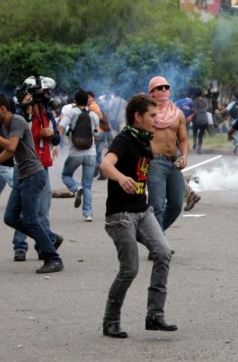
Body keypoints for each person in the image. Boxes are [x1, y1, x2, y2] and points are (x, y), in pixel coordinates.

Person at [99, 95, 177, 339]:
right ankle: (110, 321)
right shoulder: (124, 139)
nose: (157, 120)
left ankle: (155, 315)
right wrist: (121, 178)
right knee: (129, 269)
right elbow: (105, 164)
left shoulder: (144, 140)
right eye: (152, 116)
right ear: (138, 116)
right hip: (121, 215)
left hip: (142, 211)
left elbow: (145, 175)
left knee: (163, 253)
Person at [0, 95, 64, 274]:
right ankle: (50, 238)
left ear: (2, 109)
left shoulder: (16, 121)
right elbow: (11, 152)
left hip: (33, 175)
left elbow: (10, 147)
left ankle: (54, 259)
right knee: (10, 217)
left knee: (31, 219)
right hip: (22, 176)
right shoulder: (6, 125)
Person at [13, 80, 62, 262]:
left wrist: (52, 134)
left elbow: (57, 140)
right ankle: (20, 246)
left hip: (43, 166)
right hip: (24, 167)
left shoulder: (47, 114)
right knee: (22, 210)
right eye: (44, 92)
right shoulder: (20, 114)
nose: (47, 96)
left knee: (43, 209)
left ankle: (44, 245)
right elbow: (13, 134)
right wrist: (25, 109)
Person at [147, 76, 188, 232]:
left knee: (177, 205)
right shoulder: (147, 113)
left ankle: (155, 238)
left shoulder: (177, 114)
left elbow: (183, 139)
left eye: (166, 87)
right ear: (151, 91)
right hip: (155, 162)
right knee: (156, 206)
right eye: (159, 87)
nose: (164, 90)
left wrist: (184, 156)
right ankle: (158, 245)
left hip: (174, 162)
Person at [58, 89, 100, 221]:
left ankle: (76, 188)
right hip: (91, 153)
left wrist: (56, 144)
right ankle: (88, 213)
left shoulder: (71, 112)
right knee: (88, 184)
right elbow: (96, 136)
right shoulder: (94, 115)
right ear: (87, 101)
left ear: (75, 101)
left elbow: (61, 126)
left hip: (75, 152)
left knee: (66, 175)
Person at [190, 89, 209, 154]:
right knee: (201, 135)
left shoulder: (194, 101)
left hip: (196, 119)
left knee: (194, 132)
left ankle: (195, 142)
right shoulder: (205, 101)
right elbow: (206, 108)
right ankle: (199, 149)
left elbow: (194, 110)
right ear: (201, 94)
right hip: (204, 119)